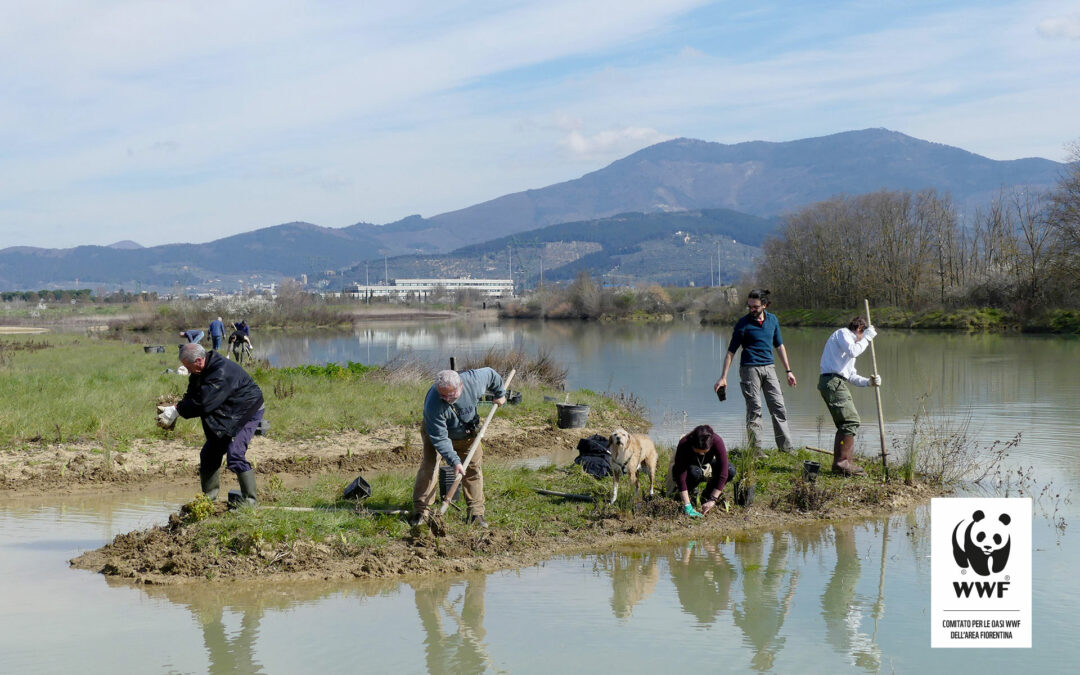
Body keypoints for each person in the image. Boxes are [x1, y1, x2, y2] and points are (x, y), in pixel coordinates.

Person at [156, 343, 265, 505]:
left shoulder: (220, 372)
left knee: (235, 455)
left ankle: (250, 501)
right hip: (227, 411)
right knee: (209, 454)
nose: (187, 370)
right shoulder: (199, 372)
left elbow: (204, 403)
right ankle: (209, 499)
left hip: (246, 410)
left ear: (199, 360)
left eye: (188, 366)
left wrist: (178, 410)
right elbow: (192, 396)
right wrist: (174, 410)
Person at [411, 368, 505, 528]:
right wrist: (454, 461)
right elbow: (440, 438)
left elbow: (491, 374)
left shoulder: (474, 381)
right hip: (436, 433)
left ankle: (476, 514)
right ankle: (422, 512)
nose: (446, 399)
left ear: (460, 385)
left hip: (467, 432)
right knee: (429, 467)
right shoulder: (433, 402)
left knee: (473, 469)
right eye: (443, 395)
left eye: (451, 394)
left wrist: (500, 393)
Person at [714, 289, 796, 452]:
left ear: (764, 305)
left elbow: (779, 345)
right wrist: (723, 377)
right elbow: (731, 352)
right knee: (755, 409)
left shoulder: (773, 320)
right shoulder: (742, 324)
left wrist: (788, 371)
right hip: (749, 369)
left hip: (769, 368)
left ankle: (786, 449)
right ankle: (757, 451)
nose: (751, 309)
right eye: (749, 306)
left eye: (755, 306)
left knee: (779, 407)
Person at [817, 316, 881, 476]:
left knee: (847, 422)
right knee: (850, 421)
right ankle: (842, 463)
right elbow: (854, 351)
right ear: (860, 328)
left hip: (837, 381)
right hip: (832, 381)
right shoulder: (842, 334)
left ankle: (843, 463)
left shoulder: (849, 348)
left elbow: (851, 375)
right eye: (863, 334)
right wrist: (867, 337)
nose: (864, 339)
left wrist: (869, 382)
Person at [666, 424, 735, 518]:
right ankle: (686, 496)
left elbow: (724, 473)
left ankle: (707, 496)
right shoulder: (684, 443)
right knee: (695, 473)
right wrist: (687, 506)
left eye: (704, 452)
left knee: (730, 470)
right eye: (698, 451)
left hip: (707, 464)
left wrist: (713, 499)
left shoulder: (717, 441)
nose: (701, 453)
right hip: (689, 467)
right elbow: (680, 475)